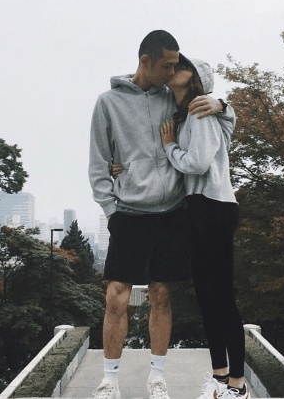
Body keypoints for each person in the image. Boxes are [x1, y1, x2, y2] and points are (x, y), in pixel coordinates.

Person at [88, 30, 234, 399]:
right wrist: (111, 210)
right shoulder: (108, 102)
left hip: (172, 210)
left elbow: (212, 114)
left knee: (162, 295)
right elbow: (99, 163)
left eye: (176, 66)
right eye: (167, 65)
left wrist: (223, 105)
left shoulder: (173, 97)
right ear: (146, 61)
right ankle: (109, 381)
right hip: (129, 211)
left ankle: (157, 378)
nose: (172, 72)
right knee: (116, 296)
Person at [159, 53, 249, 399]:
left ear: (196, 78)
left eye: (181, 66)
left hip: (214, 206)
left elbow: (196, 164)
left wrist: (169, 147)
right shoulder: (186, 115)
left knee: (222, 297)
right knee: (207, 298)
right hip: (198, 208)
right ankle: (219, 378)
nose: (173, 69)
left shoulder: (201, 111)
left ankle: (237, 386)